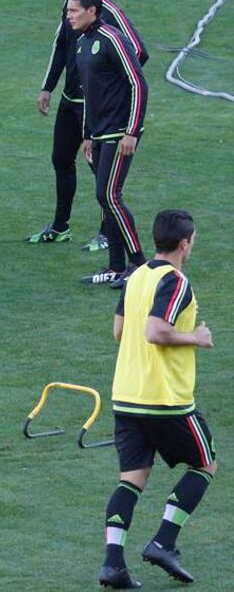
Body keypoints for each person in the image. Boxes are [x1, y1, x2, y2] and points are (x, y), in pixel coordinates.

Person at [99, 210, 215, 589]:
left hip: (126, 396)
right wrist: (195, 338)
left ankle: (113, 564)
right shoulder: (176, 281)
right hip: (165, 398)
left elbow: (119, 331)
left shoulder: (136, 276)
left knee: (131, 480)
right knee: (204, 464)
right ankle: (164, 541)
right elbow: (155, 331)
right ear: (184, 243)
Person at [31, 0, 148, 251]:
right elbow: (61, 46)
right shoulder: (73, 7)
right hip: (70, 102)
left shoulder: (111, 15)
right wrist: (48, 86)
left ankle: (108, 233)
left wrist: (107, 88)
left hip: (99, 110)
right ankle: (60, 226)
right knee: (60, 158)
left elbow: (138, 53)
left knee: (103, 178)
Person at [68, 0, 148, 289]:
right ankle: (116, 267)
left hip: (119, 132)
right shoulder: (81, 43)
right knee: (105, 197)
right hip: (100, 133)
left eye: (75, 11)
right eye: (68, 11)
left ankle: (138, 266)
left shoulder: (113, 39)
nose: (69, 16)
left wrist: (132, 130)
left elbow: (139, 83)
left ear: (92, 11)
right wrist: (87, 134)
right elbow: (90, 93)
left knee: (110, 195)